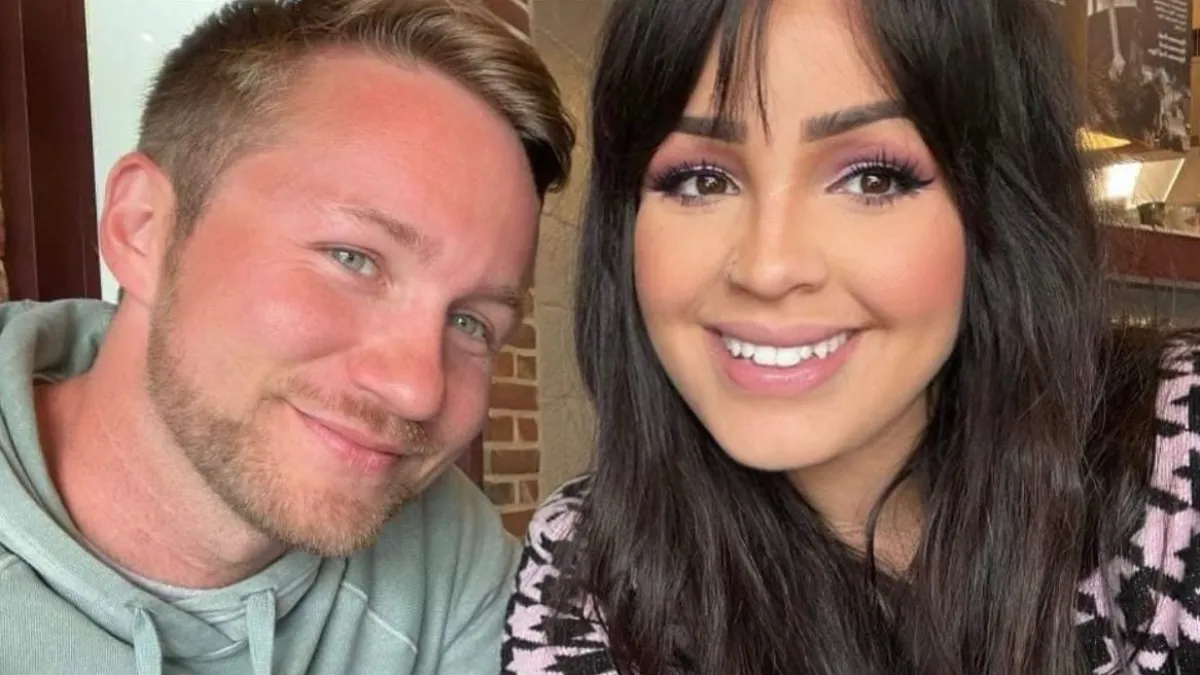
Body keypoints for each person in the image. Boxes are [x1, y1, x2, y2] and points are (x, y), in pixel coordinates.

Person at [502, 0, 1200, 673]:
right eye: (702, 180)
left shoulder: (1176, 456)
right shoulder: (586, 569)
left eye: (871, 178)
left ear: (997, 209)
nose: (768, 267)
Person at [0, 0, 573, 673]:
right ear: (142, 226)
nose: (417, 389)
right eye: (353, 258)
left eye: (470, 322)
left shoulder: (450, 558)